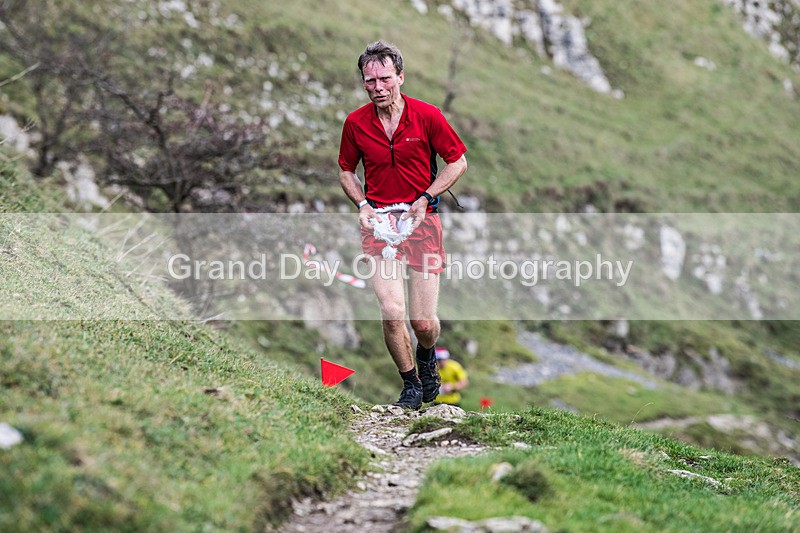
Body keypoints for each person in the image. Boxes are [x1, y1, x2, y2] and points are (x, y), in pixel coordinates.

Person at [338, 40, 468, 409]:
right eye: (369, 81)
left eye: (384, 79)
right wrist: (362, 204)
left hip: (422, 222)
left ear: (400, 77)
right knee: (393, 312)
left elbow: (457, 162)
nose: (377, 88)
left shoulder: (427, 116)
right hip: (379, 224)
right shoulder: (355, 123)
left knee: (422, 322)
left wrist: (426, 197)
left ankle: (427, 359)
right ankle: (411, 384)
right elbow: (346, 170)